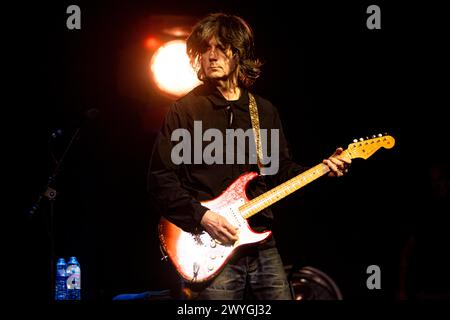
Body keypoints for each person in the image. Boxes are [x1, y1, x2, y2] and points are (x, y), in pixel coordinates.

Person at [148, 13, 351, 300]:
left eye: (221, 47)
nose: (212, 56)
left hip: (261, 243)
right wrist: (203, 217)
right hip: (207, 245)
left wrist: (322, 169)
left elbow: (279, 171)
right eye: (205, 49)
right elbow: (161, 180)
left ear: (239, 53)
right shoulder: (184, 111)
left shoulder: (263, 111)